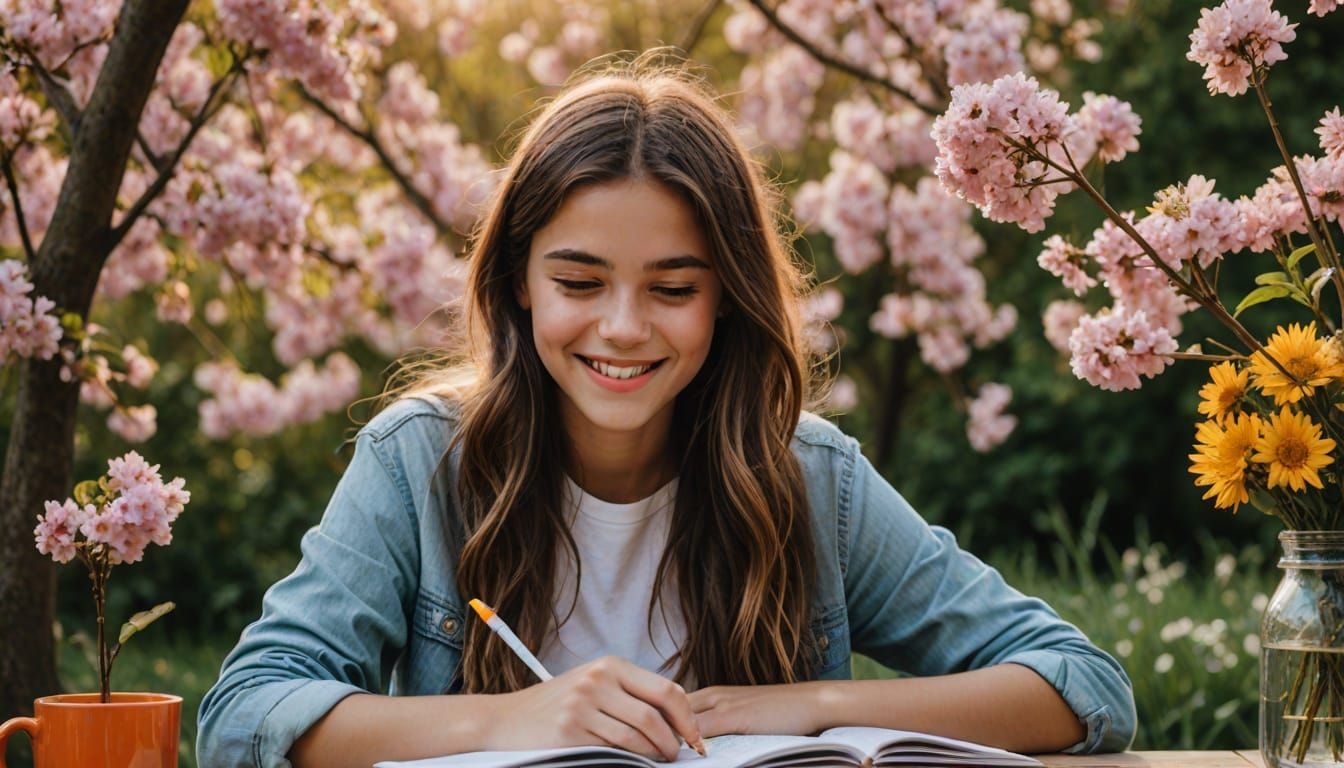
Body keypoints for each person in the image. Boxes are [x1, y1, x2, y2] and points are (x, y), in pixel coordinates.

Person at [196, 58, 1136, 768]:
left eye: (673, 287)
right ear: (518, 282)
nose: (622, 328)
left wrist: (812, 707)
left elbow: (1083, 687)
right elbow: (241, 715)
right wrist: (516, 721)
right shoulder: (418, 463)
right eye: (579, 280)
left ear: (726, 293)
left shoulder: (810, 477)